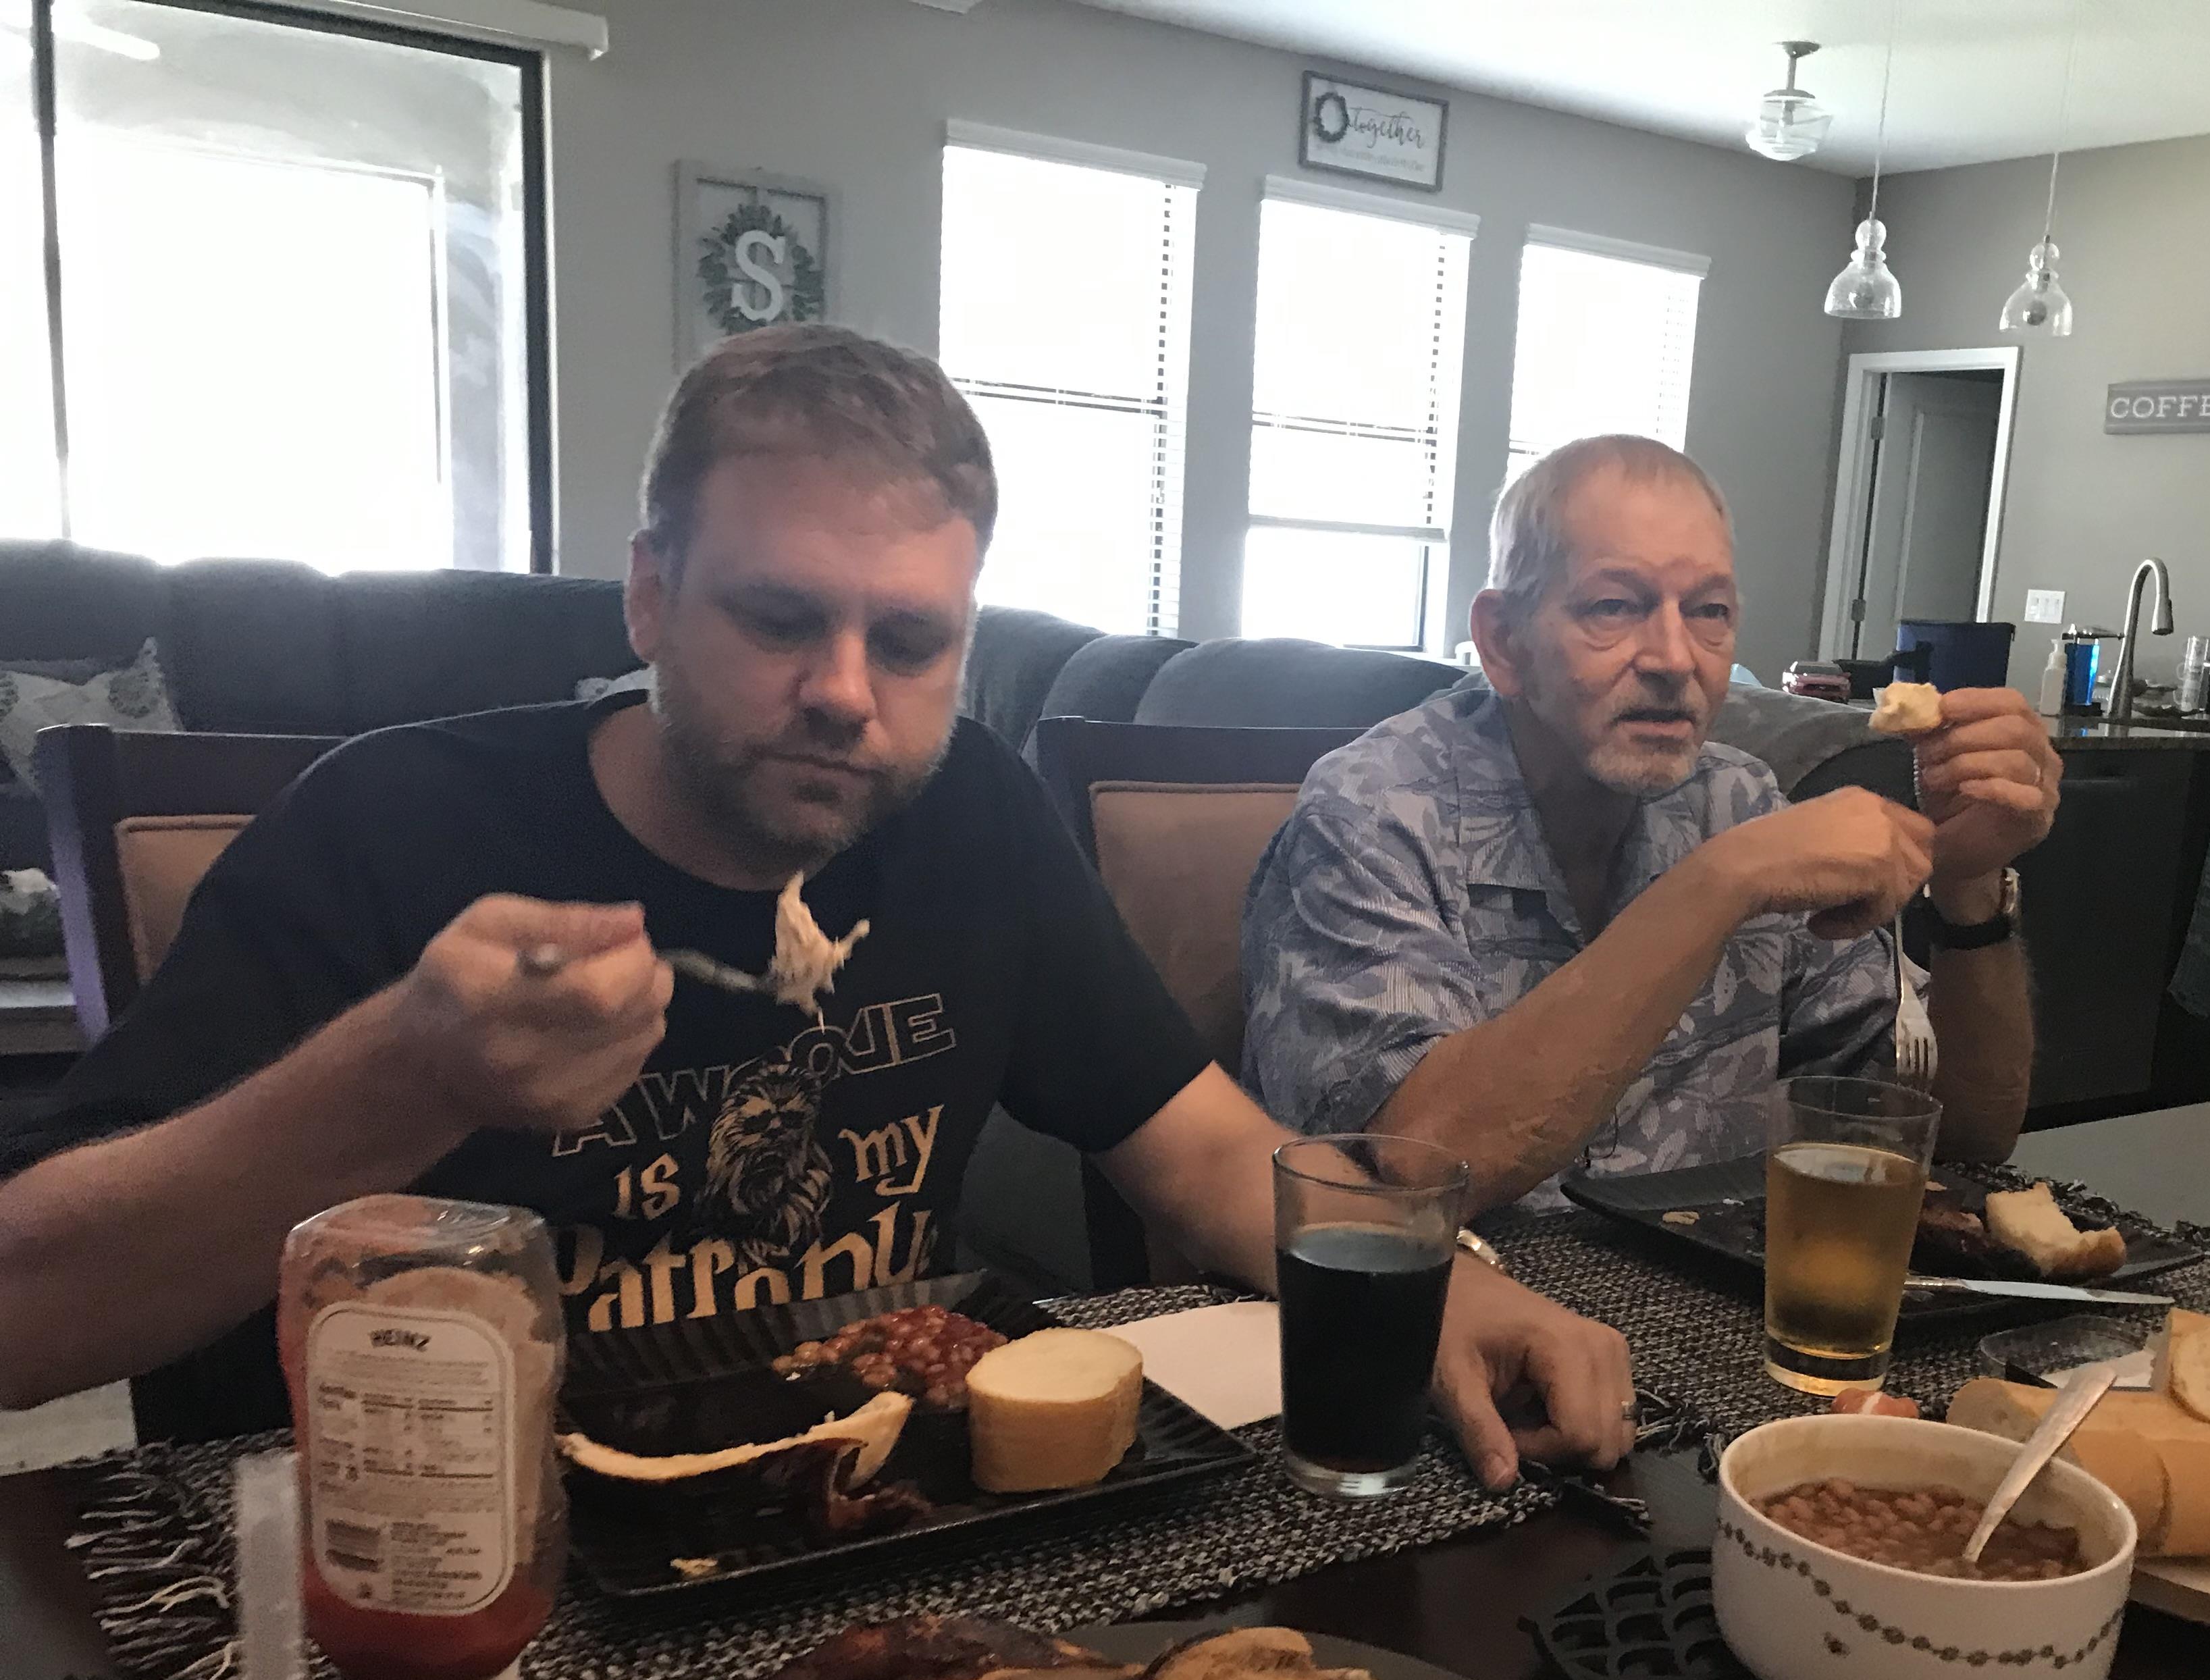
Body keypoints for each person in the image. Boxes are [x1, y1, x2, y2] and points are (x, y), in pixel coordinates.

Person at [0, 326, 1630, 1490]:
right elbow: (28, 1316)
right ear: (649, 592)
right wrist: (406, 1077)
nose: (845, 695)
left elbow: (1198, 1150)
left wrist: (1445, 1279)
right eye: (779, 618)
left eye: (910, 643)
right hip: (435, 1572)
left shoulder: (970, 816)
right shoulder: (392, 822)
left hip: (866, 1528)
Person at [1240, 434, 2058, 1215]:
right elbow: (1418, 1165)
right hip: (1446, 1328)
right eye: (1614, 605)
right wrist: (1719, 885)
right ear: (1503, 641)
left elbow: (1959, 1139)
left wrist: (1968, 890)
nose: (1675, 657)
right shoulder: (1371, 814)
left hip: (1711, 1327)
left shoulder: (1740, 801)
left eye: (1708, 610)